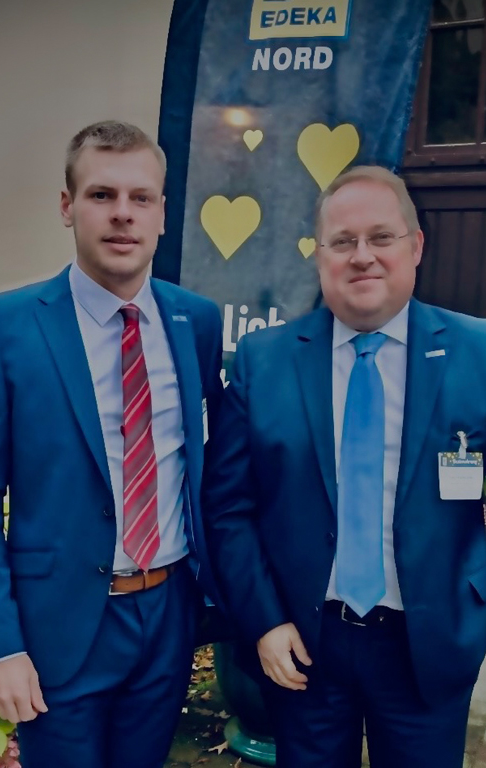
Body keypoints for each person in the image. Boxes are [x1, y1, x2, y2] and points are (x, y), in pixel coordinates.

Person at [203, 165, 486, 768]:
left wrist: (475, 596)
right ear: (320, 254)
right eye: (343, 241)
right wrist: (264, 620)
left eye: (381, 237)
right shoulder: (265, 361)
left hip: (428, 647)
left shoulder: (478, 353)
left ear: (416, 246)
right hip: (304, 645)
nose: (363, 256)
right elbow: (229, 507)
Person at [0, 121, 223, 768]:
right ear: (67, 206)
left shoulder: (195, 321)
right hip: (56, 627)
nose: (123, 214)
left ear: (163, 214)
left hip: (167, 618)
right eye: (101, 195)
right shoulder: (3, 328)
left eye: (141, 198)